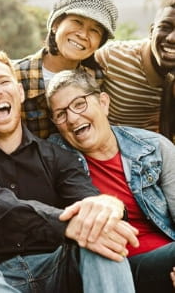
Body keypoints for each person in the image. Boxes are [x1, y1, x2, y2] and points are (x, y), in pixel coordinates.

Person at [0, 44, 137, 292]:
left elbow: (89, 201)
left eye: (3, 82)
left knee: (98, 237)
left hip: (58, 268)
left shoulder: (58, 156)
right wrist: (66, 225)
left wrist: (108, 206)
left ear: (20, 92)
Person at [46, 68, 175, 292]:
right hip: (114, 267)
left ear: (104, 103)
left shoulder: (154, 147)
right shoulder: (54, 155)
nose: (72, 118)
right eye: (60, 114)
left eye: (79, 104)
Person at [14, 0, 118, 139]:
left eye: (95, 30)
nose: (83, 35)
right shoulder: (16, 76)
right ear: (55, 25)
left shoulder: (96, 78)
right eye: (77, 22)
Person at [94, 0, 175, 142]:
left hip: (153, 150)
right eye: (165, 27)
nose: (171, 38)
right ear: (152, 32)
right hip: (106, 145)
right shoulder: (113, 57)